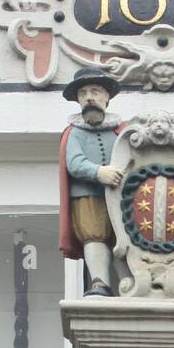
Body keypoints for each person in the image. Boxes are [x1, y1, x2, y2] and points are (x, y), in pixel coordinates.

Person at [59, 67, 124, 297]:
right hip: (87, 197)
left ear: (106, 96)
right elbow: (74, 162)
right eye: (84, 93)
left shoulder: (121, 132)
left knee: (122, 239)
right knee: (94, 236)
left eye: (95, 91)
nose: (89, 97)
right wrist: (98, 172)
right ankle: (100, 282)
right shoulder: (75, 133)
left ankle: (129, 284)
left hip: (118, 198)